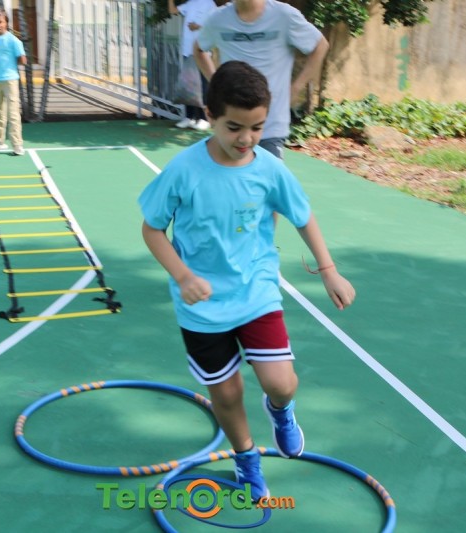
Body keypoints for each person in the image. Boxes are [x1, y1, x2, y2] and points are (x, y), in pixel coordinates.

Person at [138, 61, 355, 501]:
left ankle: (281, 411)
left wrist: (329, 270)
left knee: (282, 383)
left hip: (256, 292)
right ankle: (246, 459)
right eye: (234, 127)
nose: (246, 139)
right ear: (210, 115)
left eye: (257, 128)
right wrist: (182, 275)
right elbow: (152, 229)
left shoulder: (269, 169)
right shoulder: (184, 170)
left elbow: (302, 215)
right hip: (202, 305)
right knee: (227, 393)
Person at [193, 0, 328, 159]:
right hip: (231, 128)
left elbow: (320, 45)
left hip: (270, 126)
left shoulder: (283, 15)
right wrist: (217, 84)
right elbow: (199, 49)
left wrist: (295, 89)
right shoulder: (218, 18)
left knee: (268, 174)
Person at [167, 0, 216, 131]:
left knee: (203, 85)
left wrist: (198, 27)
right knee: (188, 84)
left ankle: (204, 119)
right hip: (187, 51)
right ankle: (189, 117)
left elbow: (214, 26)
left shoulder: (210, 4)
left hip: (202, 51)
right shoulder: (190, 3)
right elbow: (172, 11)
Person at [0, 8, 26, 155]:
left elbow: (23, 60)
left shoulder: (13, 40)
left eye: (0, 22)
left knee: (13, 113)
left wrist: (18, 59)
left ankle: (17, 144)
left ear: (6, 22)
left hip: (10, 81)